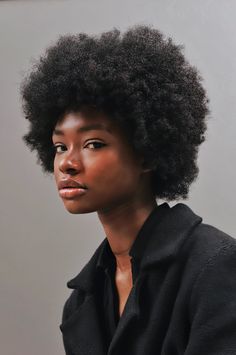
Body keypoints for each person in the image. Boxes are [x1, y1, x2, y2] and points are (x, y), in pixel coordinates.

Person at [20, 25, 236, 355]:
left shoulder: (214, 265)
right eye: (60, 146)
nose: (67, 163)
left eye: (93, 143)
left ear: (147, 152)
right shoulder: (82, 301)